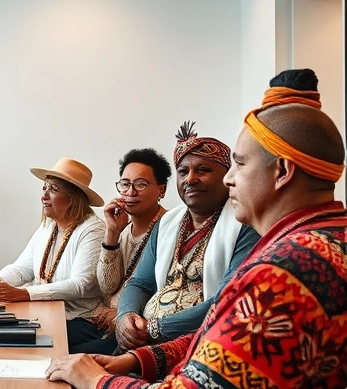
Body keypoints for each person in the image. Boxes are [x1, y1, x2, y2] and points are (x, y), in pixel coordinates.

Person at [20, 69, 347, 389]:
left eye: (236, 165)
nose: (230, 180)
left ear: (282, 172)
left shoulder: (283, 274)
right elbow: (216, 335)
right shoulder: (321, 241)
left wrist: (96, 380)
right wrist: (137, 359)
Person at [109, 123, 259, 354]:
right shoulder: (167, 223)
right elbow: (141, 283)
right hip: (142, 341)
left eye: (203, 170)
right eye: (183, 171)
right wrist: (125, 315)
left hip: (197, 347)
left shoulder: (245, 226)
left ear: (227, 176)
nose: (190, 178)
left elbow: (226, 301)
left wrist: (156, 329)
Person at [0, 157, 106, 346]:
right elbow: (23, 267)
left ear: (74, 197)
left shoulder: (93, 230)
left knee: (11, 339)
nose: (44, 196)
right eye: (44, 188)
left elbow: (81, 284)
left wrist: (24, 293)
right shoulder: (49, 225)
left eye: (54, 189)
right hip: (44, 312)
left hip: (78, 320)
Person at [73, 149, 170, 354]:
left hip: (134, 328)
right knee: (53, 338)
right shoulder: (123, 230)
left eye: (141, 184)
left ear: (161, 190)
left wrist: (123, 311)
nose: (130, 192)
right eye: (125, 184)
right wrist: (112, 233)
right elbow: (107, 286)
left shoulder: (170, 229)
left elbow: (164, 290)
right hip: (104, 323)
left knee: (69, 357)